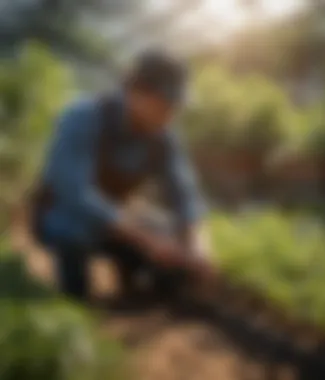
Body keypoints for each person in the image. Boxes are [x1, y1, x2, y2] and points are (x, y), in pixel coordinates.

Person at [28, 50, 215, 303]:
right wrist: (147, 240)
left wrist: (197, 244)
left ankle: (134, 282)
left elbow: (183, 192)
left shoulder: (164, 136)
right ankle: (74, 295)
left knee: (171, 235)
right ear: (135, 92)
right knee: (74, 229)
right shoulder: (83, 117)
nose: (171, 113)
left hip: (117, 216)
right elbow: (75, 193)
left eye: (176, 106)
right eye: (165, 104)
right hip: (62, 214)